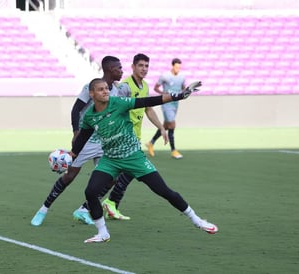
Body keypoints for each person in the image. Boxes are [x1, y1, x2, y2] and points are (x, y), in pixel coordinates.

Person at [70, 78, 218, 243]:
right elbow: (83, 136)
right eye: (100, 89)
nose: (105, 91)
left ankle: (197, 220)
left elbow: (149, 101)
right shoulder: (90, 115)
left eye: (106, 88)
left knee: (164, 191)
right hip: (110, 159)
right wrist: (72, 154)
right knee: (91, 192)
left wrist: (179, 96)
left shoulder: (119, 102)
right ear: (91, 93)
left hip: (133, 157)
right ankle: (103, 233)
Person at [30, 56, 125, 226]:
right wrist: (76, 132)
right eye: (119, 68)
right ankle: (43, 209)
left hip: (103, 141)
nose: (122, 71)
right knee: (70, 176)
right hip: (85, 140)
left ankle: (84, 209)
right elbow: (76, 109)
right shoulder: (91, 88)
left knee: (111, 178)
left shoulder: (115, 91)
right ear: (110, 69)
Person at [101, 53, 168, 220]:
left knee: (124, 174)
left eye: (146, 66)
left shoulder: (144, 86)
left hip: (134, 136)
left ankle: (110, 204)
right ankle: (93, 205)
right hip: (122, 137)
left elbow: (148, 109)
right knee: (120, 174)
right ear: (133, 67)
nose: (144, 69)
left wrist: (161, 127)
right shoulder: (125, 86)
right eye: (141, 66)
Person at [146, 58, 186, 159]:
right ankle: (173, 150)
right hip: (167, 103)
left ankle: (151, 143)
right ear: (172, 66)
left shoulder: (182, 77)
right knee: (172, 125)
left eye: (179, 67)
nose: (178, 69)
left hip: (175, 104)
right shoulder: (165, 76)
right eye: (177, 67)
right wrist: (163, 94)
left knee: (167, 126)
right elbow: (156, 87)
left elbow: (183, 88)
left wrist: (187, 91)